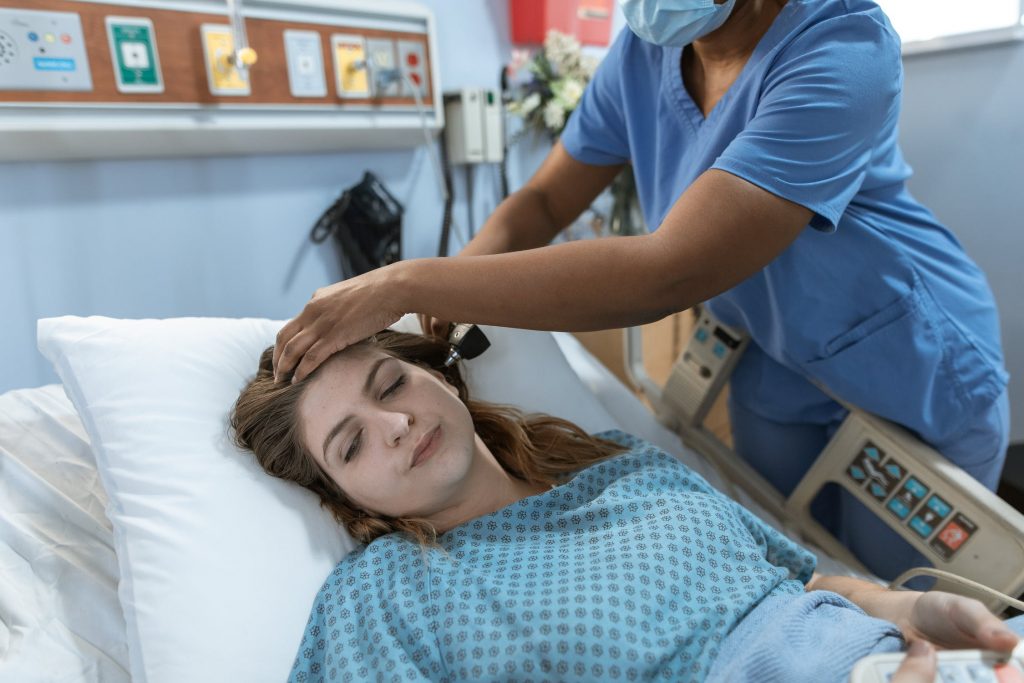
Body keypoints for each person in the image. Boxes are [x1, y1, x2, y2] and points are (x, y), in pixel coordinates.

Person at [270, 0, 1010, 582]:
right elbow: (542, 204)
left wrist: (407, 278)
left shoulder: (841, 50)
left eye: (393, 382)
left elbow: (671, 269)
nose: (396, 423)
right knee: (786, 552)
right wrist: (449, 292)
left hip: (907, 357)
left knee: (893, 586)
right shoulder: (646, 51)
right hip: (772, 361)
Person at [233, 330, 1020, 682]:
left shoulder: (614, 461)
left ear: (439, 375)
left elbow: (801, 578)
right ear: (344, 498)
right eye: (351, 444)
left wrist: (907, 608)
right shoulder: (385, 595)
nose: (397, 423)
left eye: (392, 383)